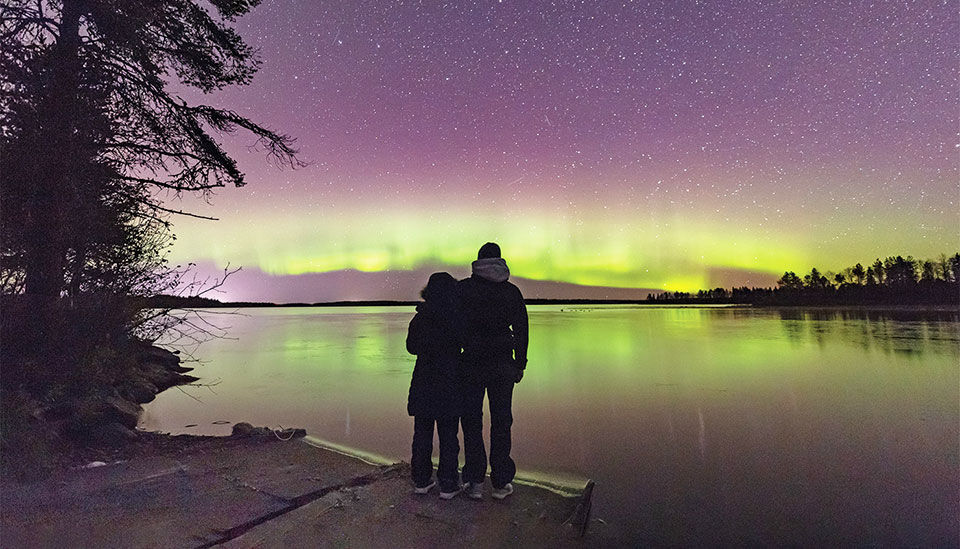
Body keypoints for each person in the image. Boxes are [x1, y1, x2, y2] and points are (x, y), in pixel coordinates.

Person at [458, 242, 528, 500]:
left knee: (472, 422)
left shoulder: (464, 289)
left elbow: (454, 326)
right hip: (502, 364)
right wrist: (520, 363)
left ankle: (475, 481)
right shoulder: (511, 291)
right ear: (500, 260)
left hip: (472, 364)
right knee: (502, 421)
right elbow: (521, 329)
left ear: (478, 261)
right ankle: (500, 482)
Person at [405, 272, 465, 499]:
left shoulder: (420, 318)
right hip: (449, 380)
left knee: (422, 433)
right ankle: (448, 484)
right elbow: (464, 342)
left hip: (424, 380)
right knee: (449, 435)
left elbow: (411, 347)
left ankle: (421, 480)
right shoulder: (456, 316)